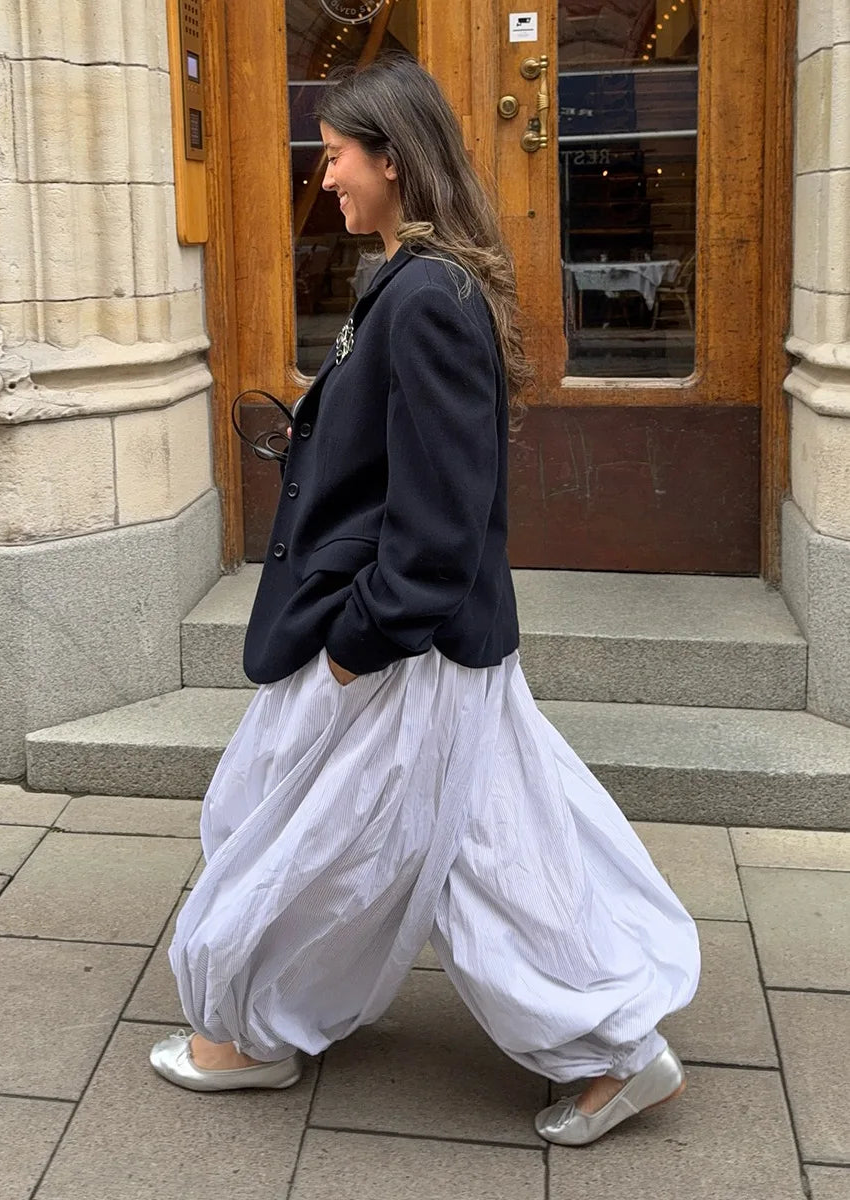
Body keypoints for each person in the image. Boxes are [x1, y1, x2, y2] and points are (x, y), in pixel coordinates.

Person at [150, 54, 700, 1147]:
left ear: (392, 161)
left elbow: (444, 518)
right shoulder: (402, 285)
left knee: (304, 833)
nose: (327, 179)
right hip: (418, 640)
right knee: (490, 848)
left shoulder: (429, 302)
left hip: (405, 644)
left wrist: (361, 644)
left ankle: (259, 1033)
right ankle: (614, 1050)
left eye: (339, 156)